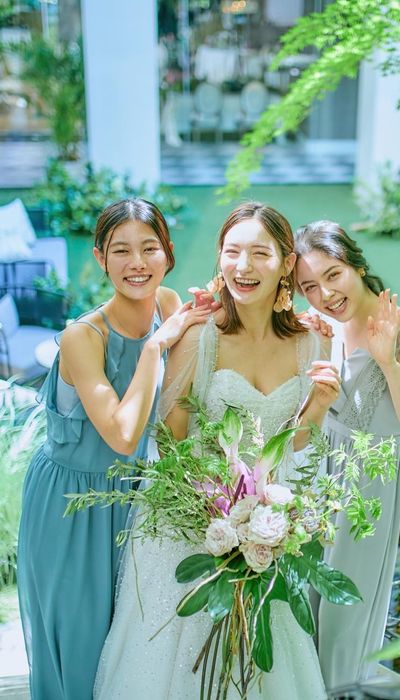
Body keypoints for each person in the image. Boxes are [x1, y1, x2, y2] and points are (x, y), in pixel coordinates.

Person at [94, 202, 340, 699]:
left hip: (269, 528)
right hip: (190, 523)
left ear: (287, 263)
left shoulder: (311, 342)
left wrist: (319, 405)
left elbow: (295, 442)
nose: (243, 266)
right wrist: (220, 510)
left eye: (260, 253)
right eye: (232, 252)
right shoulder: (199, 336)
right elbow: (170, 442)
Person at [17, 199, 213, 700]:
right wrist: (155, 346)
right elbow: (122, 434)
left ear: (168, 253)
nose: (137, 263)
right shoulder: (82, 337)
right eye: (121, 251)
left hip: (132, 498)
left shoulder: (167, 303)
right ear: (101, 258)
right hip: (70, 504)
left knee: (126, 648)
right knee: (80, 643)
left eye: (149, 248)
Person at [294, 220, 400, 690]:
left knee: (344, 618)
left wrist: (387, 363)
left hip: (366, 491)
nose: (324, 294)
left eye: (332, 275)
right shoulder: (327, 323)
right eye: (308, 287)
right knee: (304, 601)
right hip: (320, 477)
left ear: (356, 265)